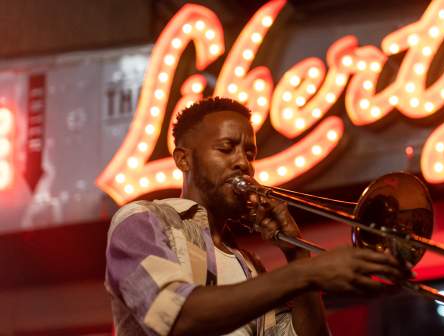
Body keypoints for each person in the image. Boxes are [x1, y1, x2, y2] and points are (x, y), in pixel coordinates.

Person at [105, 97, 407, 336]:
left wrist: (297, 254)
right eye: (226, 149)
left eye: (250, 154)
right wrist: (306, 275)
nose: (243, 163)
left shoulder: (250, 268)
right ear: (184, 160)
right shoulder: (143, 221)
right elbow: (177, 317)